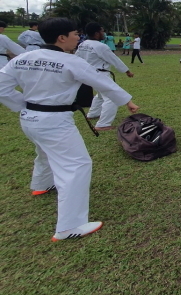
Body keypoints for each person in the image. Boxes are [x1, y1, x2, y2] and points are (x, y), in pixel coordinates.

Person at [0, 17, 139, 241]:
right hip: (55, 121)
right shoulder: (70, 61)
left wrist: (23, 105)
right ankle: (70, 226)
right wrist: (128, 102)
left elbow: (1, 87)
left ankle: (41, 184)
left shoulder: (23, 58)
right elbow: (102, 82)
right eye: (75, 34)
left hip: (29, 119)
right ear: (62, 38)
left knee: (44, 152)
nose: (78, 38)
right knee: (76, 165)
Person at [75, 22, 135, 131]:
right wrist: (127, 71)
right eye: (102, 31)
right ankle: (103, 124)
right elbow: (114, 60)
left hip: (88, 73)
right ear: (97, 33)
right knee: (112, 97)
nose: (104, 33)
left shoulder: (83, 44)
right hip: (100, 74)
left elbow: (77, 58)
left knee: (101, 95)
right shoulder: (101, 46)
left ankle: (93, 113)